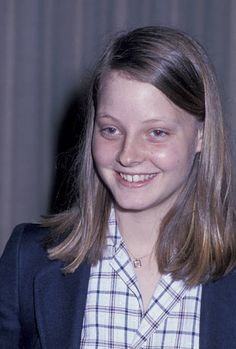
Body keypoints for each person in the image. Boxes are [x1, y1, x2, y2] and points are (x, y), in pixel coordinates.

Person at [0, 25, 236, 349]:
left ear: (201, 136)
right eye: (111, 129)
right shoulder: (28, 262)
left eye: (156, 133)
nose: (128, 154)